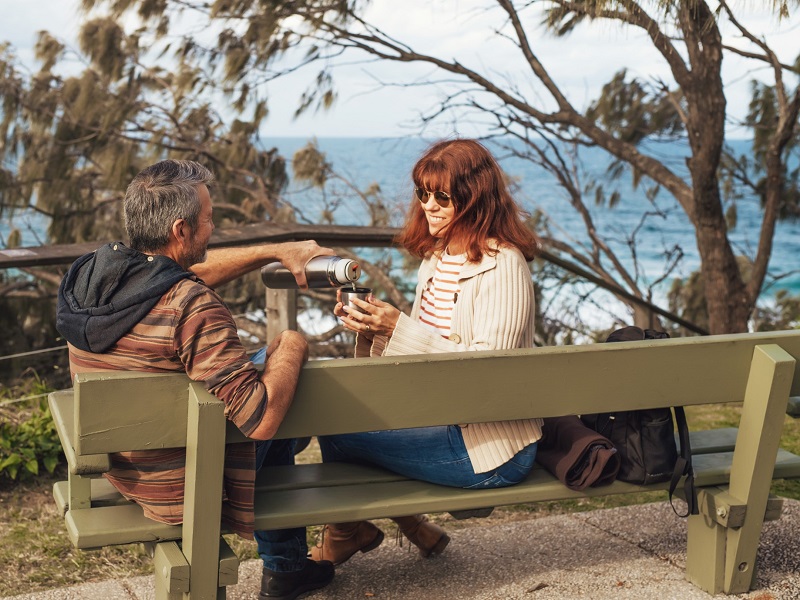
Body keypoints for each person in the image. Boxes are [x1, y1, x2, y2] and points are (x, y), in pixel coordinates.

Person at [56, 159, 336, 600]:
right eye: (209, 219)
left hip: (124, 467)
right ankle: (287, 567)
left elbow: (179, 276)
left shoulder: (90, 275)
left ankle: (290, 568)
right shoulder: (192, 307)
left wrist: (273, 250)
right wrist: (293, 342)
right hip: (181, 485)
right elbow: (259, 420)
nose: (214, 227)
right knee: (279, 400)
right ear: (181, 230)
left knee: (261, 388)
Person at [311, 138, 543, 565]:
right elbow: (416, 362)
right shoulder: (435, 260)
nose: (430, 206)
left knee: (336, 428)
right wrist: (374, 329)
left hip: (490, 448)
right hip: (439, 419)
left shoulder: (503, 264)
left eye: (443, 196)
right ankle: (404, 527)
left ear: (474, 200)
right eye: (423, 193)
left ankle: (348, 532)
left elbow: (489, 374)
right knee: (341, 413)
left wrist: (397, 325)